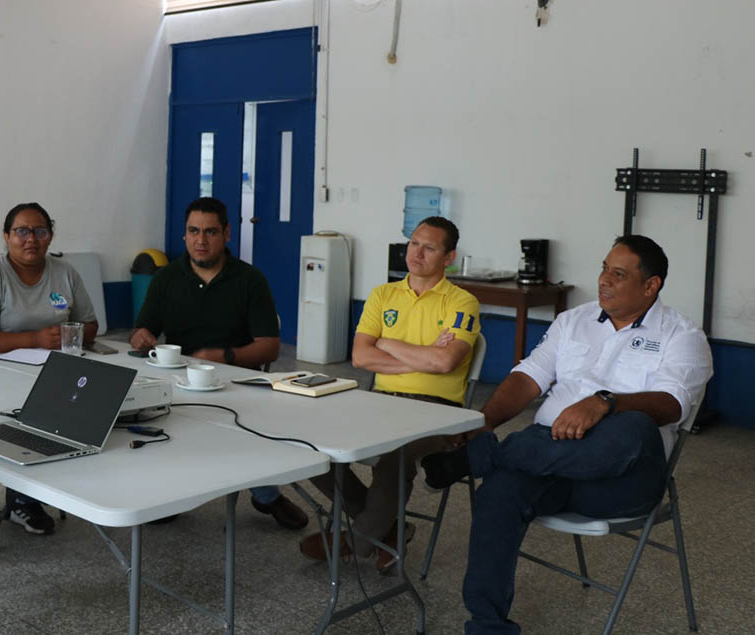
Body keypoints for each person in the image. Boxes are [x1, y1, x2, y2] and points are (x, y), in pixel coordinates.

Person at [420, 235, 712, 634]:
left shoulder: (683, 336)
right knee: (499, 491)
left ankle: (486, 456)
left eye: (618, 274)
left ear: (651, 286)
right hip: (552, 462)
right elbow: (528, 377)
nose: (604, 280)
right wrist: (483, 422)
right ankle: (488, 626)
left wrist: (605, 402)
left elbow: (673, 404)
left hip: (621, 479)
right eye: (604, 269)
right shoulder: (574, 320)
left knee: (634, 425)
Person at [300, 216, 480, 572]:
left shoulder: (462, 302)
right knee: (308, 444)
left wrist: (387, 343)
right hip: (380, 403)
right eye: (414, 244)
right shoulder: (383, 295)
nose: (417, 253)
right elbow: (360, 357)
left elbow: (445, 362)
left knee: (396, 457)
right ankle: (390, 530)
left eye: (430, 248)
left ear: (449, 258)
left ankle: (356, 542)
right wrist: (422, 358)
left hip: (440, 413)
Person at [130, 196, 308, 530]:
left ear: (226, 234)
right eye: (193, 231)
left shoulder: (249, 279)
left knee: (242, 425)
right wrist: (141, 337)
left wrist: (224, 356)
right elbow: (142, 330)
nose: (200, 240)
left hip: (238, 384)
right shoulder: (167, 278)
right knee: (150, 418)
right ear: (184, 234)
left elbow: (270, 348)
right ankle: (174, 492)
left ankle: (266, 495)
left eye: (210, 232)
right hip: (179, 383)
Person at [0, 202, 98, 534]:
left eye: (39, 231)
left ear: (50, 236)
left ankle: (25, 500)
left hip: (46, 371)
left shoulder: (65, 273)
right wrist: (34, 338)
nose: (31, 239)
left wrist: (67, 335)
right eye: (21, 231)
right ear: (6, 236)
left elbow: (90, 325)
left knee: (60, 414)